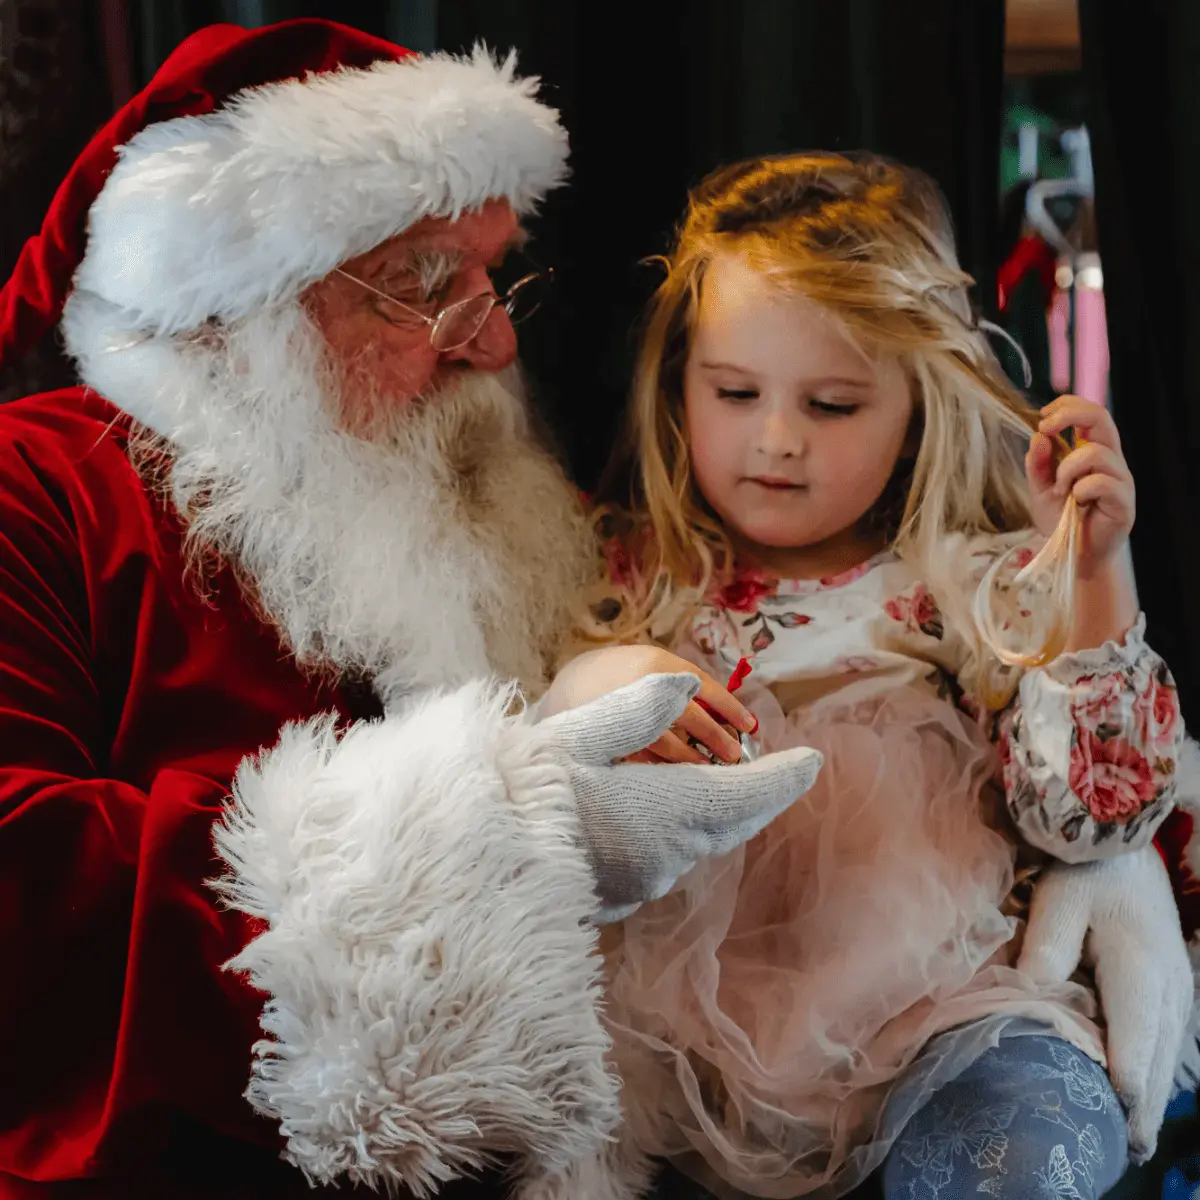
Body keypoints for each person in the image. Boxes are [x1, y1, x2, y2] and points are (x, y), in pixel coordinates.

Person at [0, 23, 825, 1200]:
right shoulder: (33, 494)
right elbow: (30, 897)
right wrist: (503, 838)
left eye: (496, 277)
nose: (494, 343)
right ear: (235, 312)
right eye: (429, 285)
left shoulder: (480, 488)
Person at [538, 152, 1200, 1199]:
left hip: (943, 1014)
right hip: (667, 1042)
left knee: (1029, 1153)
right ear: (679, 383)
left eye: (836, 404)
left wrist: (1094, 574)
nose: (777, 439)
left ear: (917, 404)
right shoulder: (626, 583)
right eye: (736, 391)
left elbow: (1091, 818)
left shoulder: (966, 583)